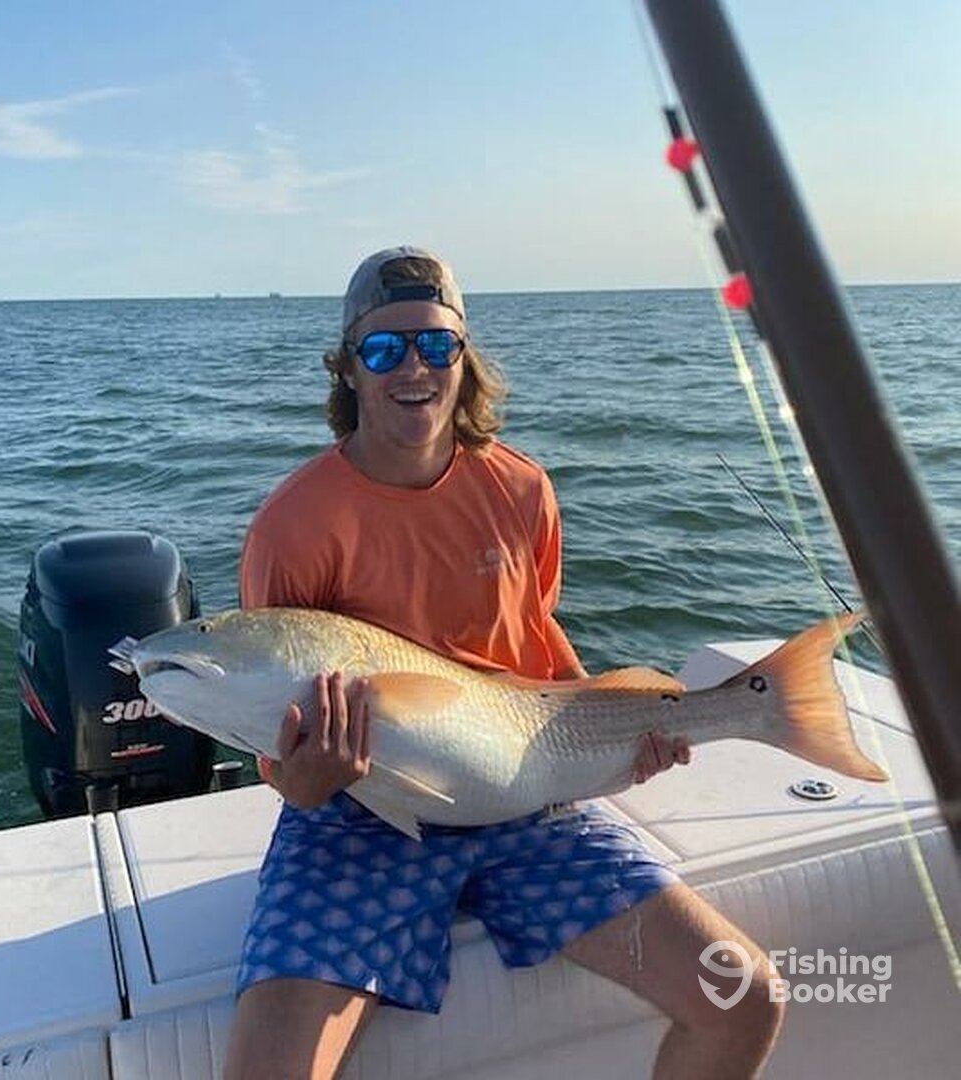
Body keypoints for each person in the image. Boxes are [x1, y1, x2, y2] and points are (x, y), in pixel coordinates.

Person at [224, 246, 783, 1080]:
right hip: (359, 817)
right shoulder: (294, 525)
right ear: (348, 369)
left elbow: (537, 642)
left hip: (527, 798)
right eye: (384, 348)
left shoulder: (522, 488)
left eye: (436, 344)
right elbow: (287, 764)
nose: (414, 368)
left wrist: (621, 739)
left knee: (745, 998)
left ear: (464, 357)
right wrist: (307, 781)